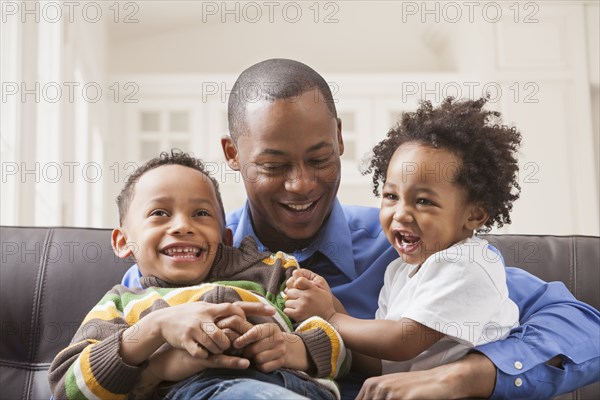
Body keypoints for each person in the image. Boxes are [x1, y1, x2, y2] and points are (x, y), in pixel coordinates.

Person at [122, 59, 600, 399]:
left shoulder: (410, 243)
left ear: (340, 140)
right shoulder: (181, 256)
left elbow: (581, 327)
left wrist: (463, 377)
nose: (301, 184)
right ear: (232, 155)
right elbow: (102, 365)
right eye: (272, 165)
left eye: (320, 159)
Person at [49, 151, 348, 400]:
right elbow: (68, 390)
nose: (182, 226)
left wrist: (294, 349)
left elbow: (344, 354)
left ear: (225, 237)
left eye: (201, 214)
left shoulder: (271, 274)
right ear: (123, 241)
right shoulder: (122, 304)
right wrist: (155, 328)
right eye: (159, 213)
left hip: (295, 387)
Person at [284, 97, 521, 379]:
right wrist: (329, 302)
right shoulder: (400, 271)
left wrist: (332, 316)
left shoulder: (467, 264)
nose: (401, 214)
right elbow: (379, 362)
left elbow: (402, 342)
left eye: (423, 201)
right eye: (391, 196)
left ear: (474, 215)